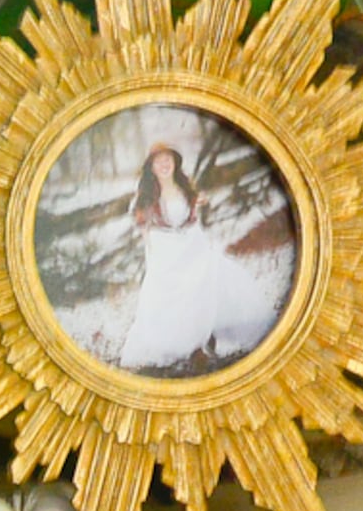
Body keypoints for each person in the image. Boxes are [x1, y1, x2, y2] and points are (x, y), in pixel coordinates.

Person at [109, 136, 291, 376]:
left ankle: (210, 337)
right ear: (151, 167)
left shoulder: (186, 189)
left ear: (175, 163)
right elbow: (147, 235)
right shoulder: (145, 198)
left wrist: (196, 228)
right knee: (169, 300)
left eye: (168, 160)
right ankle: (186, 347)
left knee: (216, 278)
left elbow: (193, 220)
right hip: (167, 256)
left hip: (192, 248)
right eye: (158, 161)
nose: (164, 165)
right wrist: (156, 264)